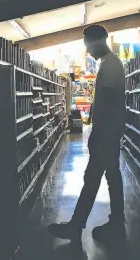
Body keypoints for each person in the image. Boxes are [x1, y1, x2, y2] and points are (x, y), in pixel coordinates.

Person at [48, 25, 126, 243]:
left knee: (94, 179)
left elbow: (110, 103)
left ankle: (78, 226)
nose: (88, 51)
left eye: (88, 46)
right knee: (108, 177)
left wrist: (99, 133)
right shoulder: (108, 64)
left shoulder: (110, 65)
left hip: (106, 135)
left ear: (99, 41)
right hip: (108, 133)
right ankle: (114, 224)